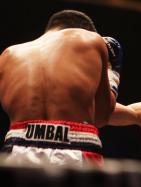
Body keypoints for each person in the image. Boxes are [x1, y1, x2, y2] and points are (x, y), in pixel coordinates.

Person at [0, 9, 123, 167]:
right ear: (83, 30)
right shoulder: (91, 39)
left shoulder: (7, 55)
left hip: (16, 149)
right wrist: (113, 75)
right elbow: (102, 116)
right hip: (75, 149)